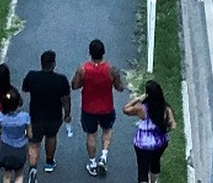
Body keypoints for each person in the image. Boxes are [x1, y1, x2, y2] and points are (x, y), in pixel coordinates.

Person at [72, 39, 126, 176]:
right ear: (103, 52)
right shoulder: (111, 69)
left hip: (88, 108)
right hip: (107, 107)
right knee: (107, 130)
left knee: (91, 135)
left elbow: (75, 86)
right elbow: (120, 88)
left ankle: (92, 163)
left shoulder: (83, 69)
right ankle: (104, 155)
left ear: (90, 52)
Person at [22, 51, 71, 176]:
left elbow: (25, 89)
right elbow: (66, 99)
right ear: (53, 63)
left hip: (36, 116)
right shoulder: (61, 80)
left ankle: (33, 168)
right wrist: (67, 114)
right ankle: (49, 162)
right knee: (51, 137)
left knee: (34, 142)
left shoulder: (32, 76)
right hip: (54, 117)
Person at [123, 81, 176, 183]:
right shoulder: (165, 109)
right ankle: (154, 181)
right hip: (160, 143)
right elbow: (173, 125)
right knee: (155, 163)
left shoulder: (141, 109)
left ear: (147, 94)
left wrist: (138, 99)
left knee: (142, 169)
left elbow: (126, 109)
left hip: (142, 144)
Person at [0, 88, 32, 183]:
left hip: (6, 148)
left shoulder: (0, 116)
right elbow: (30, 134)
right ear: (18, 103)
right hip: (20, 148)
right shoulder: (25, 117)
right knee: (19, 173)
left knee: (7, 174)